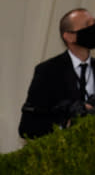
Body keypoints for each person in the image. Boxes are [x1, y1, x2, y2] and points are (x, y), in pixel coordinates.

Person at [19, 7, 95, 139]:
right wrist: (65, 121)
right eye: (88, 25)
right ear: (69, 36)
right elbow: (28, 127)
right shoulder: (48, 71)